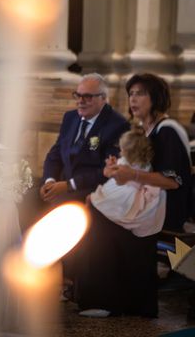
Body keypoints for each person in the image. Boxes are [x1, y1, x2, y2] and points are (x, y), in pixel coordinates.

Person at [77, 73, 192, 318]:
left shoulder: (167, 131)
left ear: (156, 98)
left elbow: (172, 182)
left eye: (140, 93)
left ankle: (107, 300)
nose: (133, 99)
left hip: (168, 208)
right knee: (93, 206)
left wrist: (130, 175)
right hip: (148, 201)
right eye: (131, 94)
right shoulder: (147, 130)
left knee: (100, 217)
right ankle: (110, 298)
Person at [40, 73, 129, 205]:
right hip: (61, 185)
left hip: (89, 191)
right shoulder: (70, 117)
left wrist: (69, 185)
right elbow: (55, 154)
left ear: (103, 98)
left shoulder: (117, 125)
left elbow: (108, 171)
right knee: (27, 199)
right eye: (78, 95)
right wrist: (49, 181)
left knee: (58, 204)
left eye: (87, 96)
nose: (80, 101)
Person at [88, 128, 165, 237]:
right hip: (135, 192)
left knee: (101, 202)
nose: (120, 152)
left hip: (123, 190)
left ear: (128, 153)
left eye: (121, 150)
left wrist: (110, 166)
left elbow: (110, 175)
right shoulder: (147, 164)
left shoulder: (124, 163)